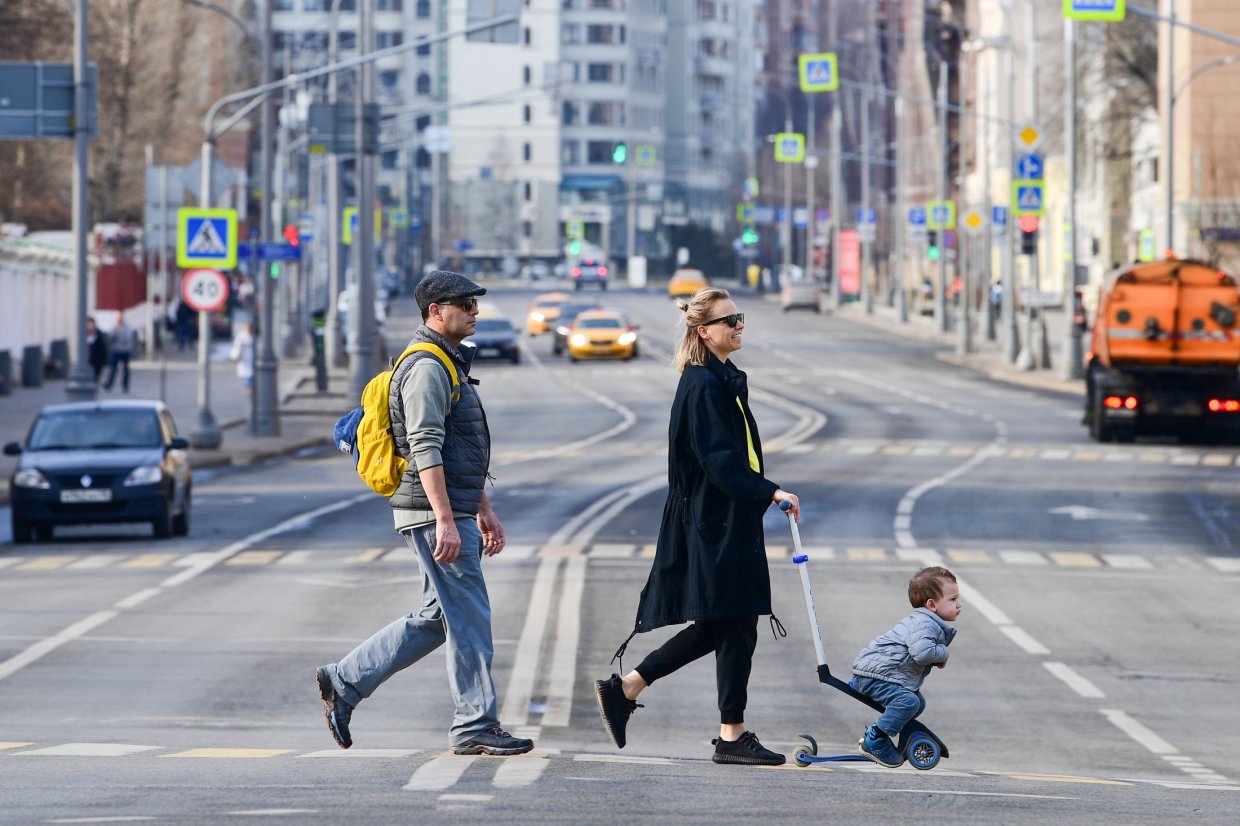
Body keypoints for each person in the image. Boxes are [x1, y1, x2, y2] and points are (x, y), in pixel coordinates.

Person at [315, 270, 533, 757]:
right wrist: (443, 518)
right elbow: (426, 446)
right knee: (470, 618)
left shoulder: (448, 363)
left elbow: (460, 452)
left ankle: (345, 680)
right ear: (436, 312)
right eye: (466, 305)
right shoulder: (429, 367)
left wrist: (483, 509)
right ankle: (475, 723)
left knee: (440, 616)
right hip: (432, 510)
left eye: (476, 305)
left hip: (447, 507)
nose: (475, 313)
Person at [593, 288, 801, 767]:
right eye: (730, 320)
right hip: (714, 521)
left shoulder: (718, 378)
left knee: (727, 624)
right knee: (731, 622)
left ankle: (634, 689)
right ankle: (727, 734)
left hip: (724, 517)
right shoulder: (705, 385)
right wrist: (770, 491)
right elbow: (720, 461)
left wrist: (758, 494)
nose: (739, 326)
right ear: (704, 331)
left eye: (740, 317)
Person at [850, 566, 961, 768]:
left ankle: (877, 731)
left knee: (917, 702)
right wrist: (943, 653)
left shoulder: (926, 621)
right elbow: (922, 652)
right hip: (874, 676)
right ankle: (874, 740)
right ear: (932, 604)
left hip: (881, 674)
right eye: (953, 600)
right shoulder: (924, 623)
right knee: (908, 702)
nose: (958, 605)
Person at [104, 311, 137, 392]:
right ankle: (109, 384)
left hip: (125, 351)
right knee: (113, 369)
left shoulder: (127, 327)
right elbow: (110, 337)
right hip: (116, 350)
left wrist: (118, 335)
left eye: (120, 318)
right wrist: (116, 332)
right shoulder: (114, 327)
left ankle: (125, 385)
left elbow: (127, 337)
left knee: (126, 369)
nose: (118, 320)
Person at [229, 322, 255, 394]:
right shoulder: (242, 335)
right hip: (244, 356)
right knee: (247, 373)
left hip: (251, 356)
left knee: (251, 372)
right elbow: (237, 344)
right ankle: (248, 387)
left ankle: (249, 387)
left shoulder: (254, 335)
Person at [85, 316, 108, 384]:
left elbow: (103, 350)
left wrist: (102, 363)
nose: (89, 327)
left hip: (96, 364)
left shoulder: (98, 336)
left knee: (94, 381)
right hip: (86, 364)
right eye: (88, 325)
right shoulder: (83, 336)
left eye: (91, 325)